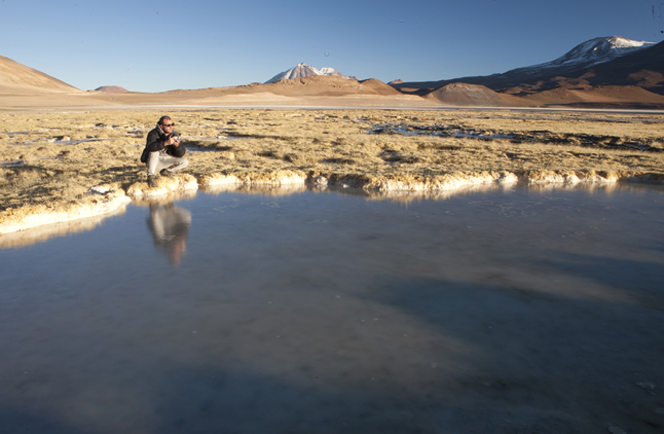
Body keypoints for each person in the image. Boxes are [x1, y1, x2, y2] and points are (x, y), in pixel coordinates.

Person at [141, 116, 188, 187]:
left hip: (166, 160)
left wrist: (177, 146)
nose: (171, 127)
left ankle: (166, 171)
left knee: (184, 161)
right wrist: (165, 143)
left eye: (172, 124)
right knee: (154, 152)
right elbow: (150, 147)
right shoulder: (153, 133)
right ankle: (150, 177)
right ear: (161, 126)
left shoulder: (175, 135)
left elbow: (181, 154)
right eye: (168, 125)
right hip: (153, 161)